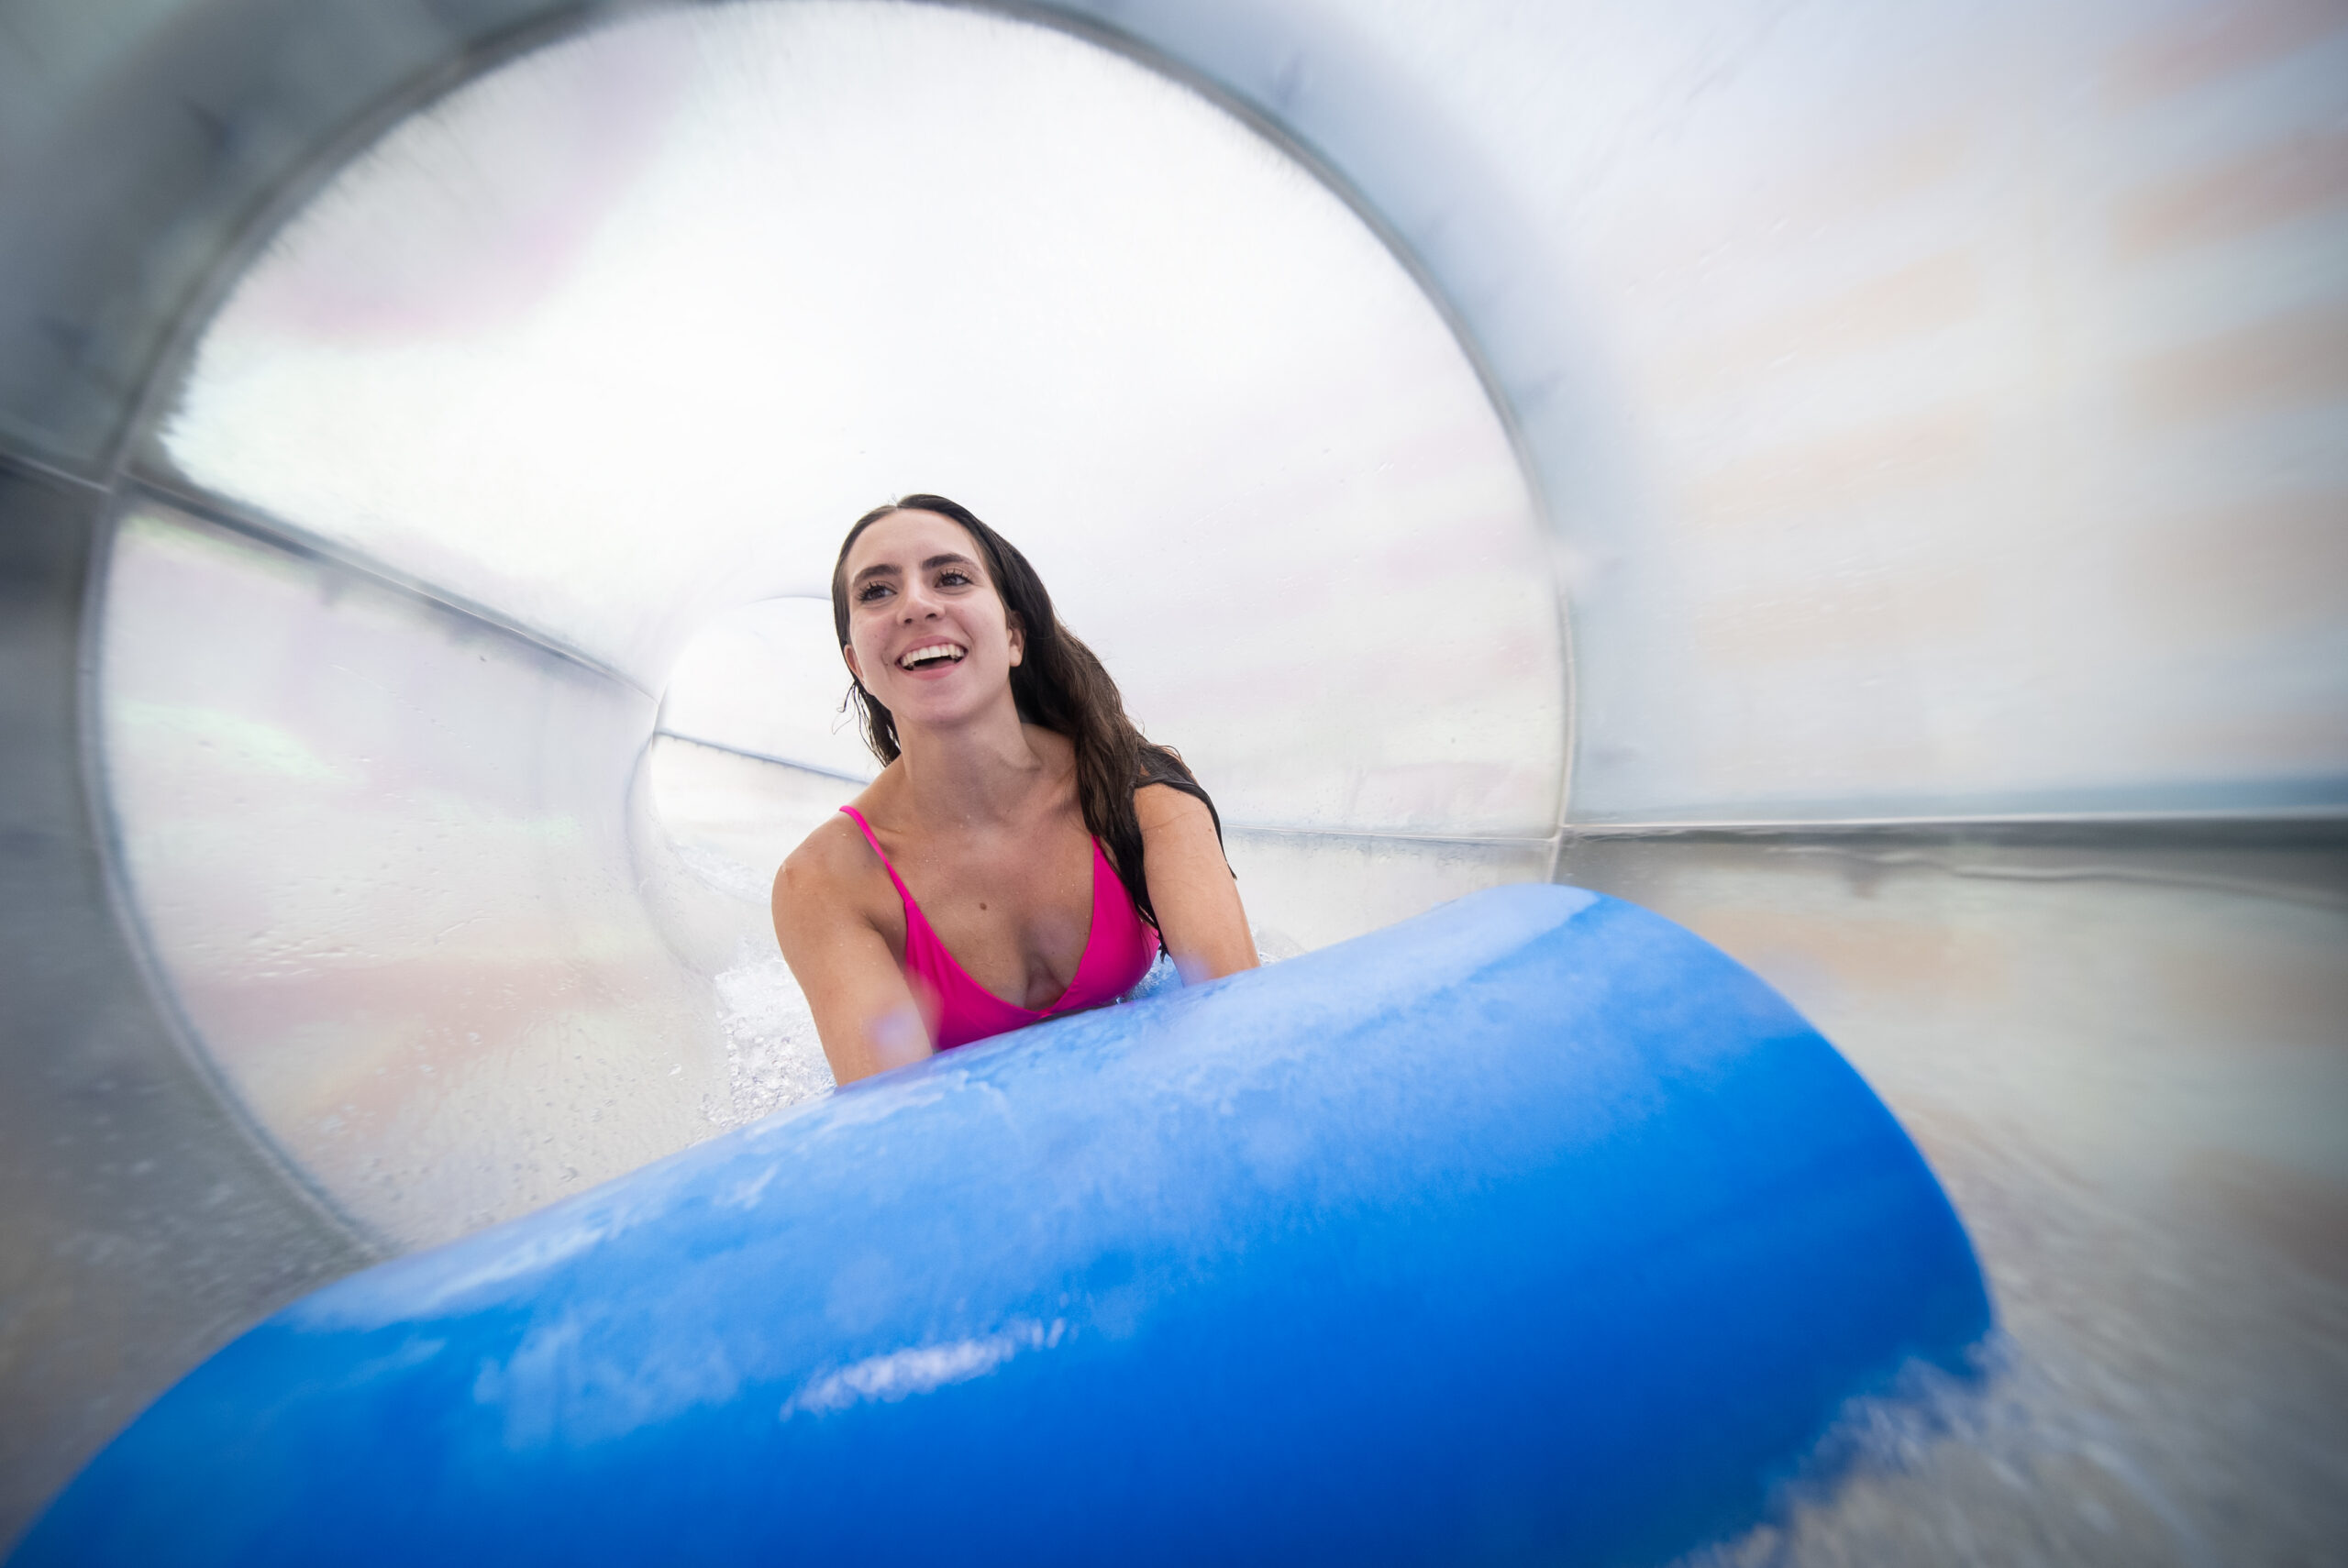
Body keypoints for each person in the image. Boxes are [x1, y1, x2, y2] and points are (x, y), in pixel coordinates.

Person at [772, 495, 1257, 1085]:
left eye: (950, 578)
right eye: (876, 591)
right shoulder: (829, 884)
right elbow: (899, 1134)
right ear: (857, 665)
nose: (917, 605)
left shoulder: (1139, 794)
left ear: (1013, 636)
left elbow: (1240, 1035)